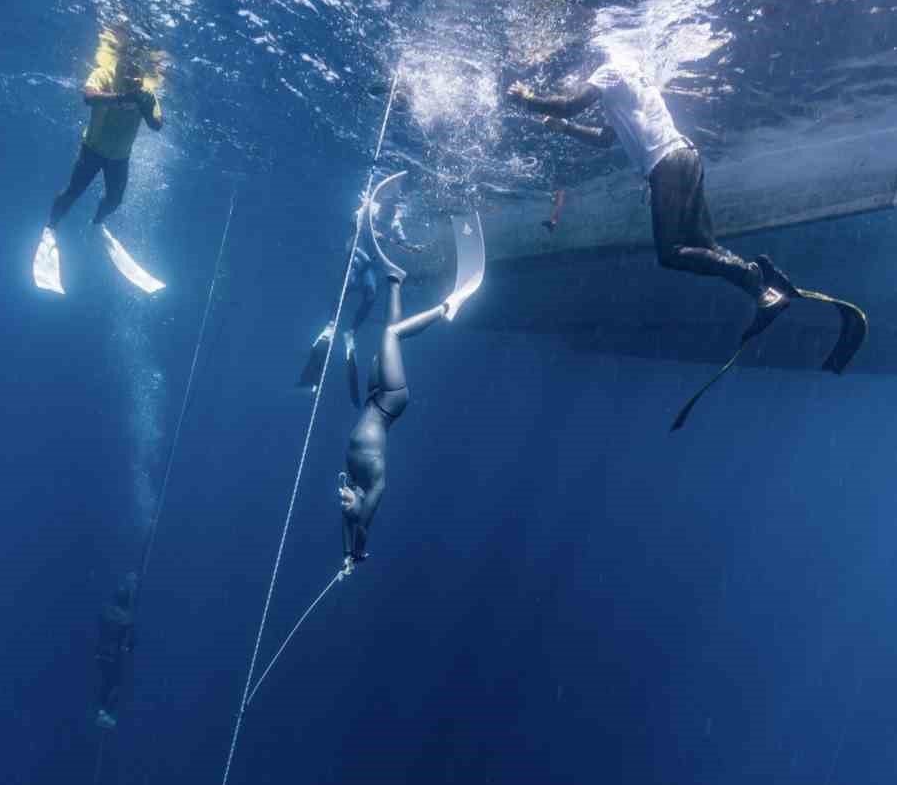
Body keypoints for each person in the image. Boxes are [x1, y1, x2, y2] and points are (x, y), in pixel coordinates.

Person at [507, 56, 866, 425]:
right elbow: (604, 138)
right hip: (685, 157)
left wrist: (526, 98)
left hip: (666, 164)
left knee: (671, 253)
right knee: (705, 248)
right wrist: (563, 127)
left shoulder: (610, 69)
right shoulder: (630, 80)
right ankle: (766, 290)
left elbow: (570, 103)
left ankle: (753, 276)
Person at [338, 177, 483, 566]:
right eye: (349, 503)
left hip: (374, 397)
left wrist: (346, 554)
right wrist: (358, 552)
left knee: (391, 335)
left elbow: (346, 523)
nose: (343, 498)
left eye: (344, 501)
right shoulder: (372, 488)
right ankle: (446, 308)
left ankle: (395, 282)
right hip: (389, 400)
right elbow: (361, 525)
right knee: (391, 334)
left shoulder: (350, 492)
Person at [50, 34, 162, 230]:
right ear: (121, 59)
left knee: (114, 200)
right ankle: (52, 225)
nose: (132, 72)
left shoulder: (146, 91)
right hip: (92, 149)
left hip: (120, 157)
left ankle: (96, 224)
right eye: (128, 62)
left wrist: (145, 108)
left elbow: (157, 125)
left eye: (137, 66)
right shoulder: (103, 74)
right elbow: (89, 97)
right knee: (73, 191)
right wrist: (122, 98)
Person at [299, 237, 378, 406]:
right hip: (358, 265)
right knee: (350, 289)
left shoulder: (374, 234)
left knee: (370, 293)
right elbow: (350, 245)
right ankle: (334, 324)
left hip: (365, 267)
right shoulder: (362, 232)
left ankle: (347, 331)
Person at [95, 573, 137, 730]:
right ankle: (105, 713)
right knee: (115, 685)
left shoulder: (105, 611)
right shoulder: (127, 618)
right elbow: (130, 643)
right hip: (113, 657)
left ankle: (101, 711)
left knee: (105, 683)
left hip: (99, 653)